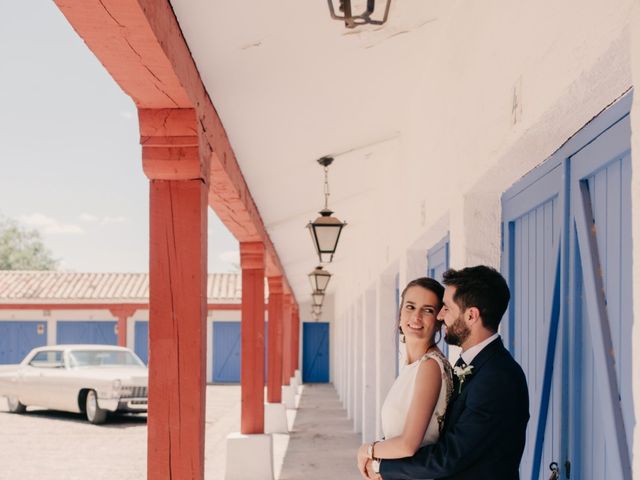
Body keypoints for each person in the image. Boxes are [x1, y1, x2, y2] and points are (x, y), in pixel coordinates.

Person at [369, 265, 530, 480]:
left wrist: (381, 465)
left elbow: (450, 457)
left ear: (471, 315)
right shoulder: (473, 364)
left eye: (446, 308)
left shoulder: (498, 377)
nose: (441, 315)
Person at [357, 277, 454, 479]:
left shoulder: (430, 366)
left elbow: (408, 445)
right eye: (410, 307)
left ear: (438, 320)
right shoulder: (414, 366)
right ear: (400, 313)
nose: (416, 316)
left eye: (428, 310)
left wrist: (367, 450)